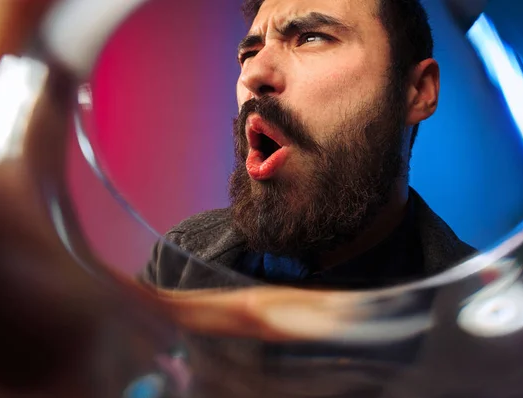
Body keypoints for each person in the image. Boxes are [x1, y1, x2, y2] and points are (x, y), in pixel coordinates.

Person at [142, 0, 475, 290]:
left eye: (311, 38)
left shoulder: (496, 320)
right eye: (249, 53)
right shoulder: (181, 256)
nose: (252, 74)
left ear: (418, 90)